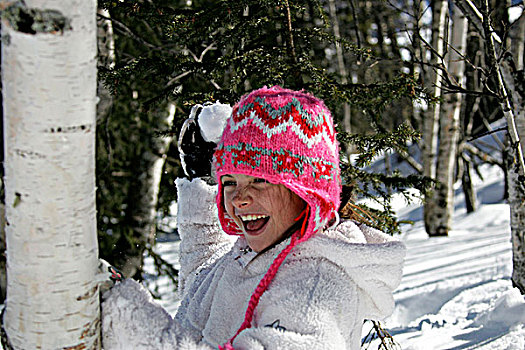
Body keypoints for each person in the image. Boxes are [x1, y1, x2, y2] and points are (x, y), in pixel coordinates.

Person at [101, 86, 406, 350]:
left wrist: (130, 318)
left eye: (259, 180)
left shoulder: (313, 287)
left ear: (305, 190)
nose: (238, 198)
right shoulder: (256, 251)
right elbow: (204, 289)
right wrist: (202, 185)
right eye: (230, 181)